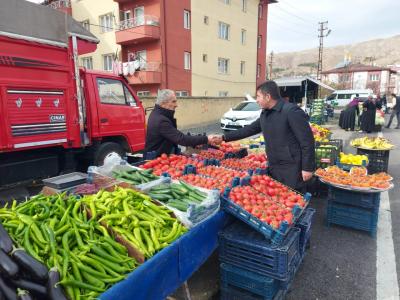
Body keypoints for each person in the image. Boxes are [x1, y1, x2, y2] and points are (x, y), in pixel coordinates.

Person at [210, 81, 315, 192]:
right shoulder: (265, 113)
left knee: (294, 199)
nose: (257, 100)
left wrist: (307, 168)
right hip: (274, 166)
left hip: (292, 168)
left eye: (258, 96)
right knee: (278, 197)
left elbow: (307, 141)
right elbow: (249, 130)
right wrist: (223, 138)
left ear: (268, 96)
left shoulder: (291, 111)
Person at [144, 89, 213, 157]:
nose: (176, 105)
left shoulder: (158, 114)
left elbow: (174, 134)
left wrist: (195, 142)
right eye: (173, 101)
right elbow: (181, 139)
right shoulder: (161, 120)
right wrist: (206, 139)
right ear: (163, 103)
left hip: (162, 156)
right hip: (155, 159)